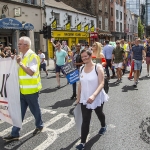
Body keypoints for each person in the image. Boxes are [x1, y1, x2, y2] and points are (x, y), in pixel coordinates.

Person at [3, 36, 43, 142]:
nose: (18, 45)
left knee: (35, 110)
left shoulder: (32, 56)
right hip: (21, 90)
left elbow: (31, 72)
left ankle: (39, 125)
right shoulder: (21, 55)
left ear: (26, 45)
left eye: (20, 44)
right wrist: (13, 61)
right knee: (18, 112)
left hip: (31, 91)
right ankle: (14, 133)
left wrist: (20, 63)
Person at [76, 49, 108, 150]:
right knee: (85, 120)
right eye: (82, 57)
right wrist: (78, 97)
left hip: (97, 96)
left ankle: (103, 126)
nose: (84, 58)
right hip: (85, 98)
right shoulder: (81, 68)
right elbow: (80, 84)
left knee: (99, 113)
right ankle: (82, 143)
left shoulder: (98, 67)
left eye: (86, 56)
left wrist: (94, 95)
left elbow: (101, 83)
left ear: (90, 56)